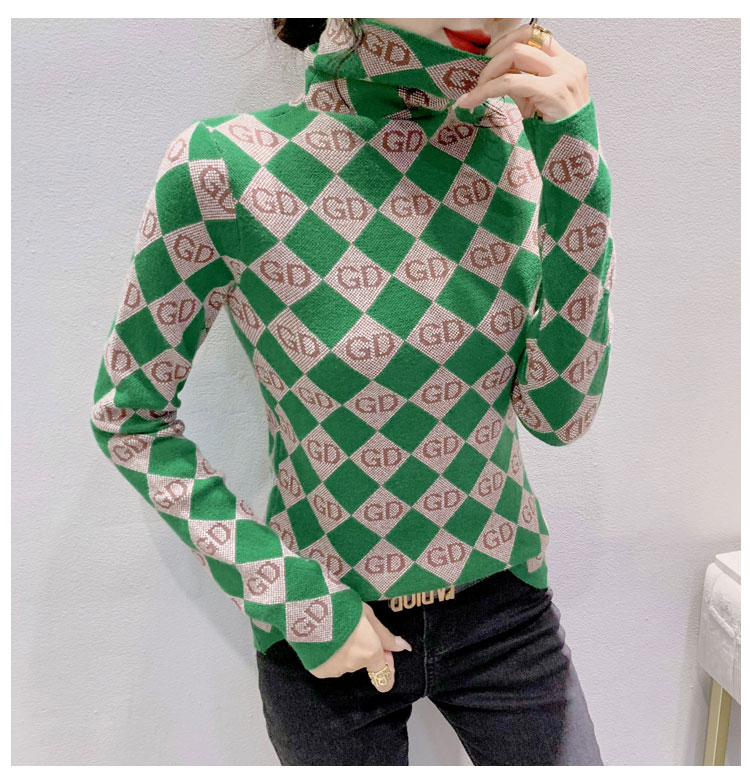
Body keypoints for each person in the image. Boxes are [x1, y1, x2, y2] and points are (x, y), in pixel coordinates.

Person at [89, 16, 615, 765]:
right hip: (323, 625)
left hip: (505, 610)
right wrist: (291, 597)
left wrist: (579, 177)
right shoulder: (225, 168)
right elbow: (129, 417)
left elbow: (558, 414)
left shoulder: (516, 144)